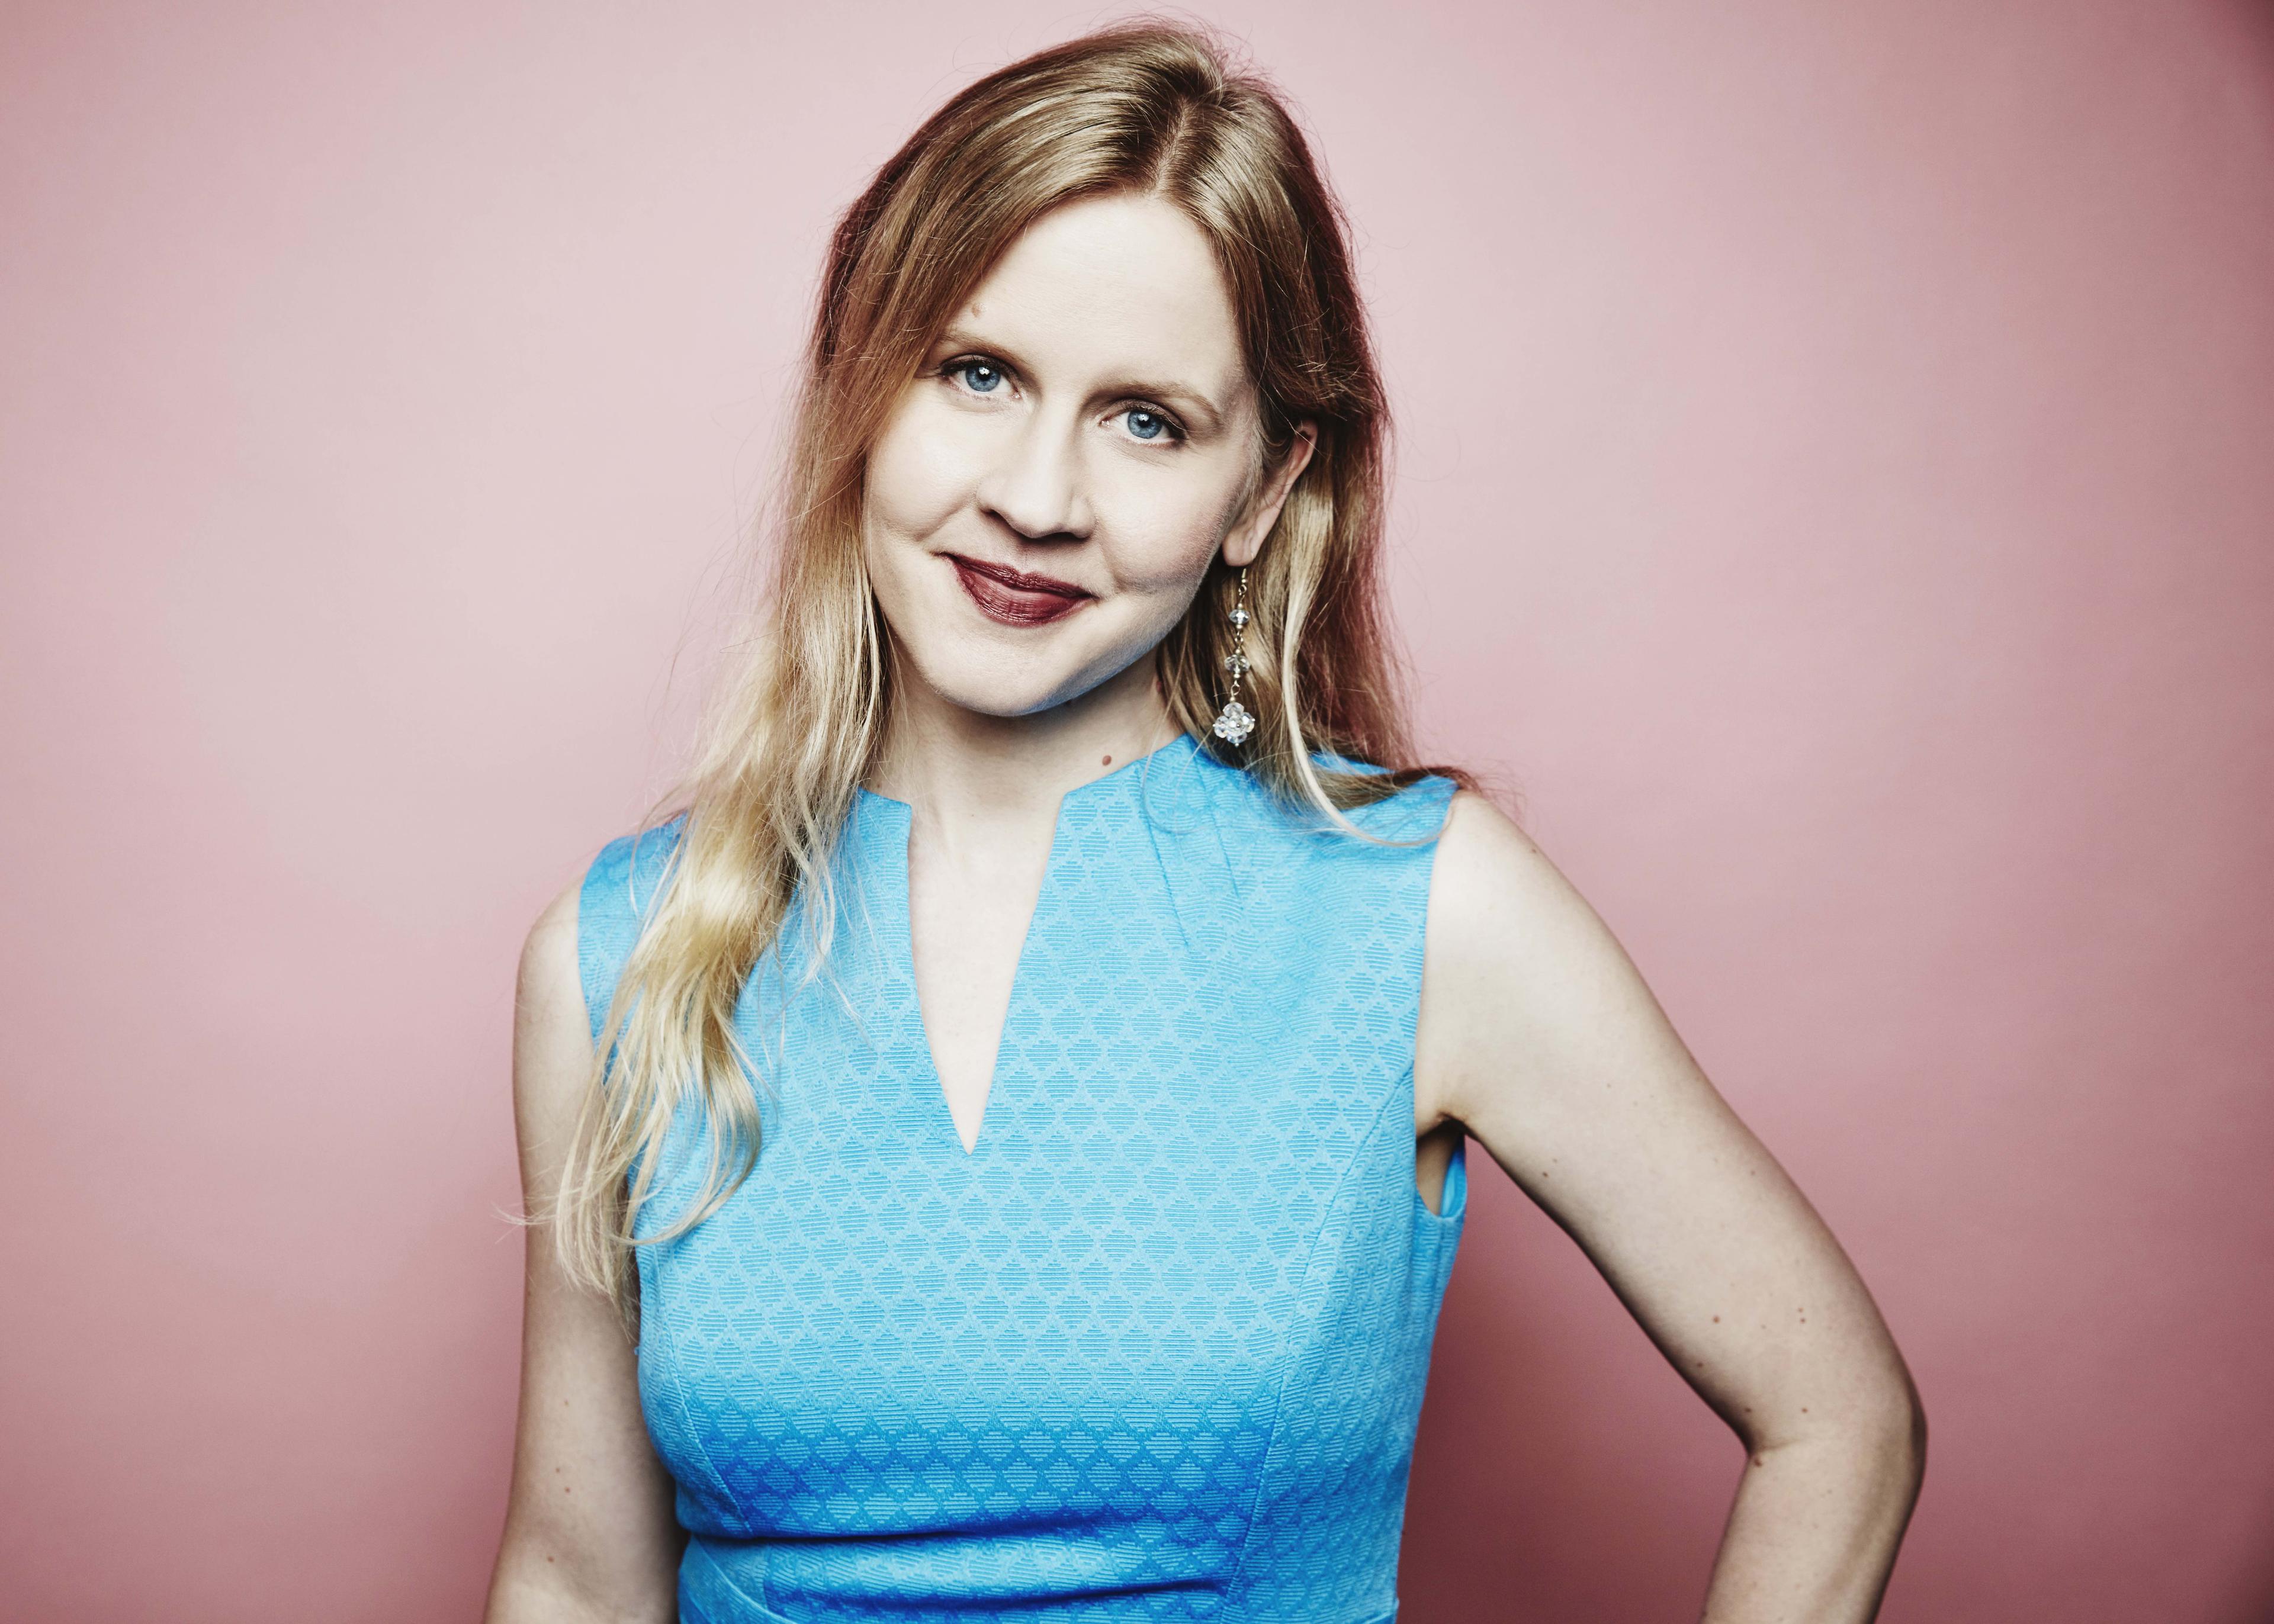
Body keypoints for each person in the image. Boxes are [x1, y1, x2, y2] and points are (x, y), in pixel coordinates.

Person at [483, 23, 1925, 1624]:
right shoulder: (621, 957)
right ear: (861, 388)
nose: (1039, 495)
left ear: (1262, 490)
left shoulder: (1423, 912)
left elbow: (1839, 1423)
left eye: (1148, 420)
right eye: (978, 374)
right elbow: (576, 1579)